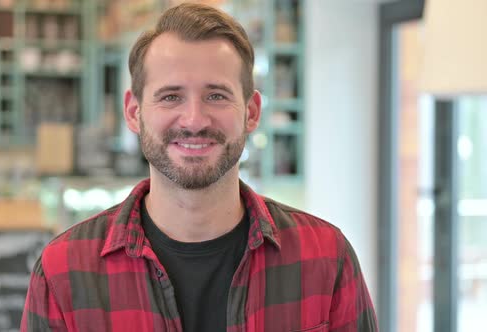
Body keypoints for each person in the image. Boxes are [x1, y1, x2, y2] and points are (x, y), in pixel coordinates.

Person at [21, 3, 378, 331]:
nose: (194, 120)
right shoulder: (65, 270)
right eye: (171, 96)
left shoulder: (325, 258)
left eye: (216, 96)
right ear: (134, 112)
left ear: (251, 112)